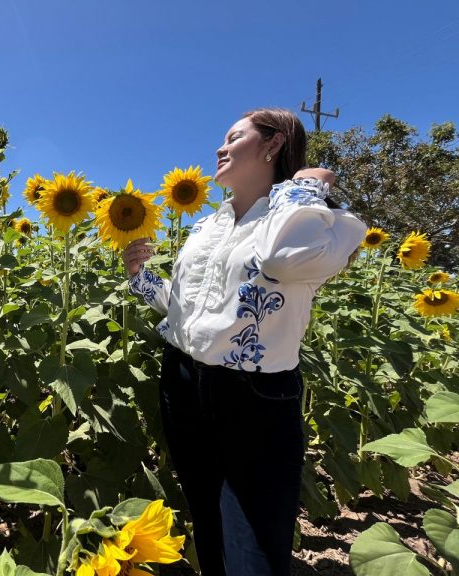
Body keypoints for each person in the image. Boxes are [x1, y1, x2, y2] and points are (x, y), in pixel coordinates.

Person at [122, 108, 366, 576]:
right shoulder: (208, 227)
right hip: (183, 379)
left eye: (234, 137)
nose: (219, 148)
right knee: (208, 519)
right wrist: (140, 279)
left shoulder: (311, 219)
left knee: (254, 540)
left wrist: (307, 183)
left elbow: (283, 258)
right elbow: (189, 308)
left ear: (273, 145)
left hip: (252, 395)